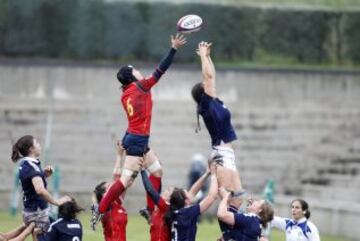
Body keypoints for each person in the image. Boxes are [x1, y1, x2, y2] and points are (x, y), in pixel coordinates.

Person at [99, 34, 187, 219]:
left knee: (157, 171)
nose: (139, 71)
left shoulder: (126, 94)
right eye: (136, 70)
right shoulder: (141, 87)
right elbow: (161, 70)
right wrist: (173, 49)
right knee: (125, 181)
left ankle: (149, 209)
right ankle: (100, 208)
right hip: (137, 140)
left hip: (135, 137)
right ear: (132, 76)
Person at [191, 41, 243, 238]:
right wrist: (202, 56)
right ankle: (228, 236)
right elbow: (209, 76)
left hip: (227, 154)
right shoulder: (206, 105)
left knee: (237, 199)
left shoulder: (215, 102)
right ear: (204, 92)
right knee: (228, 200)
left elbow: (213, 76)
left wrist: (209, 57)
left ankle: (228, 236)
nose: (211, 86)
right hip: (222, 155)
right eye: (208, 87)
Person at [140, 156, 216, 241]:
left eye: (168, 190)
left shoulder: (166, 207)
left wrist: (142, 170)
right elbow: (193, 192)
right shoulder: (173, 208)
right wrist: (208, 174)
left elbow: (151, 190)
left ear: (171, 198)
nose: (165, 190)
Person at [11, 135, 71, 235]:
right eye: (37, 143)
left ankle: (6, 237)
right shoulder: (32, 167)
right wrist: (56, 202)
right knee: (55, 234)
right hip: (37, 212)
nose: (39, 145)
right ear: (31, 149)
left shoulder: (25, 164)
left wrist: (43, 175)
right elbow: (39, 190)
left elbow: (30, 184)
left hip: (31, 211)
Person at [163, 161, 218, 241]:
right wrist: (214, 175)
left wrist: (206, 174)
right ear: (186, 201)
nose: (190, 193)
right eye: (187, 193)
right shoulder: (187, 213)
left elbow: (193, 191)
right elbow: (211, 197)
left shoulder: (175, 210)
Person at [91, 141, 134, 241]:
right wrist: (119, 156)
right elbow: (116, 179)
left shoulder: (116, 203)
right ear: (103, 194)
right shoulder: (105, 207)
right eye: (108, 186)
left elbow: (125, 181)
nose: (112, 186)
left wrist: (130, 158)